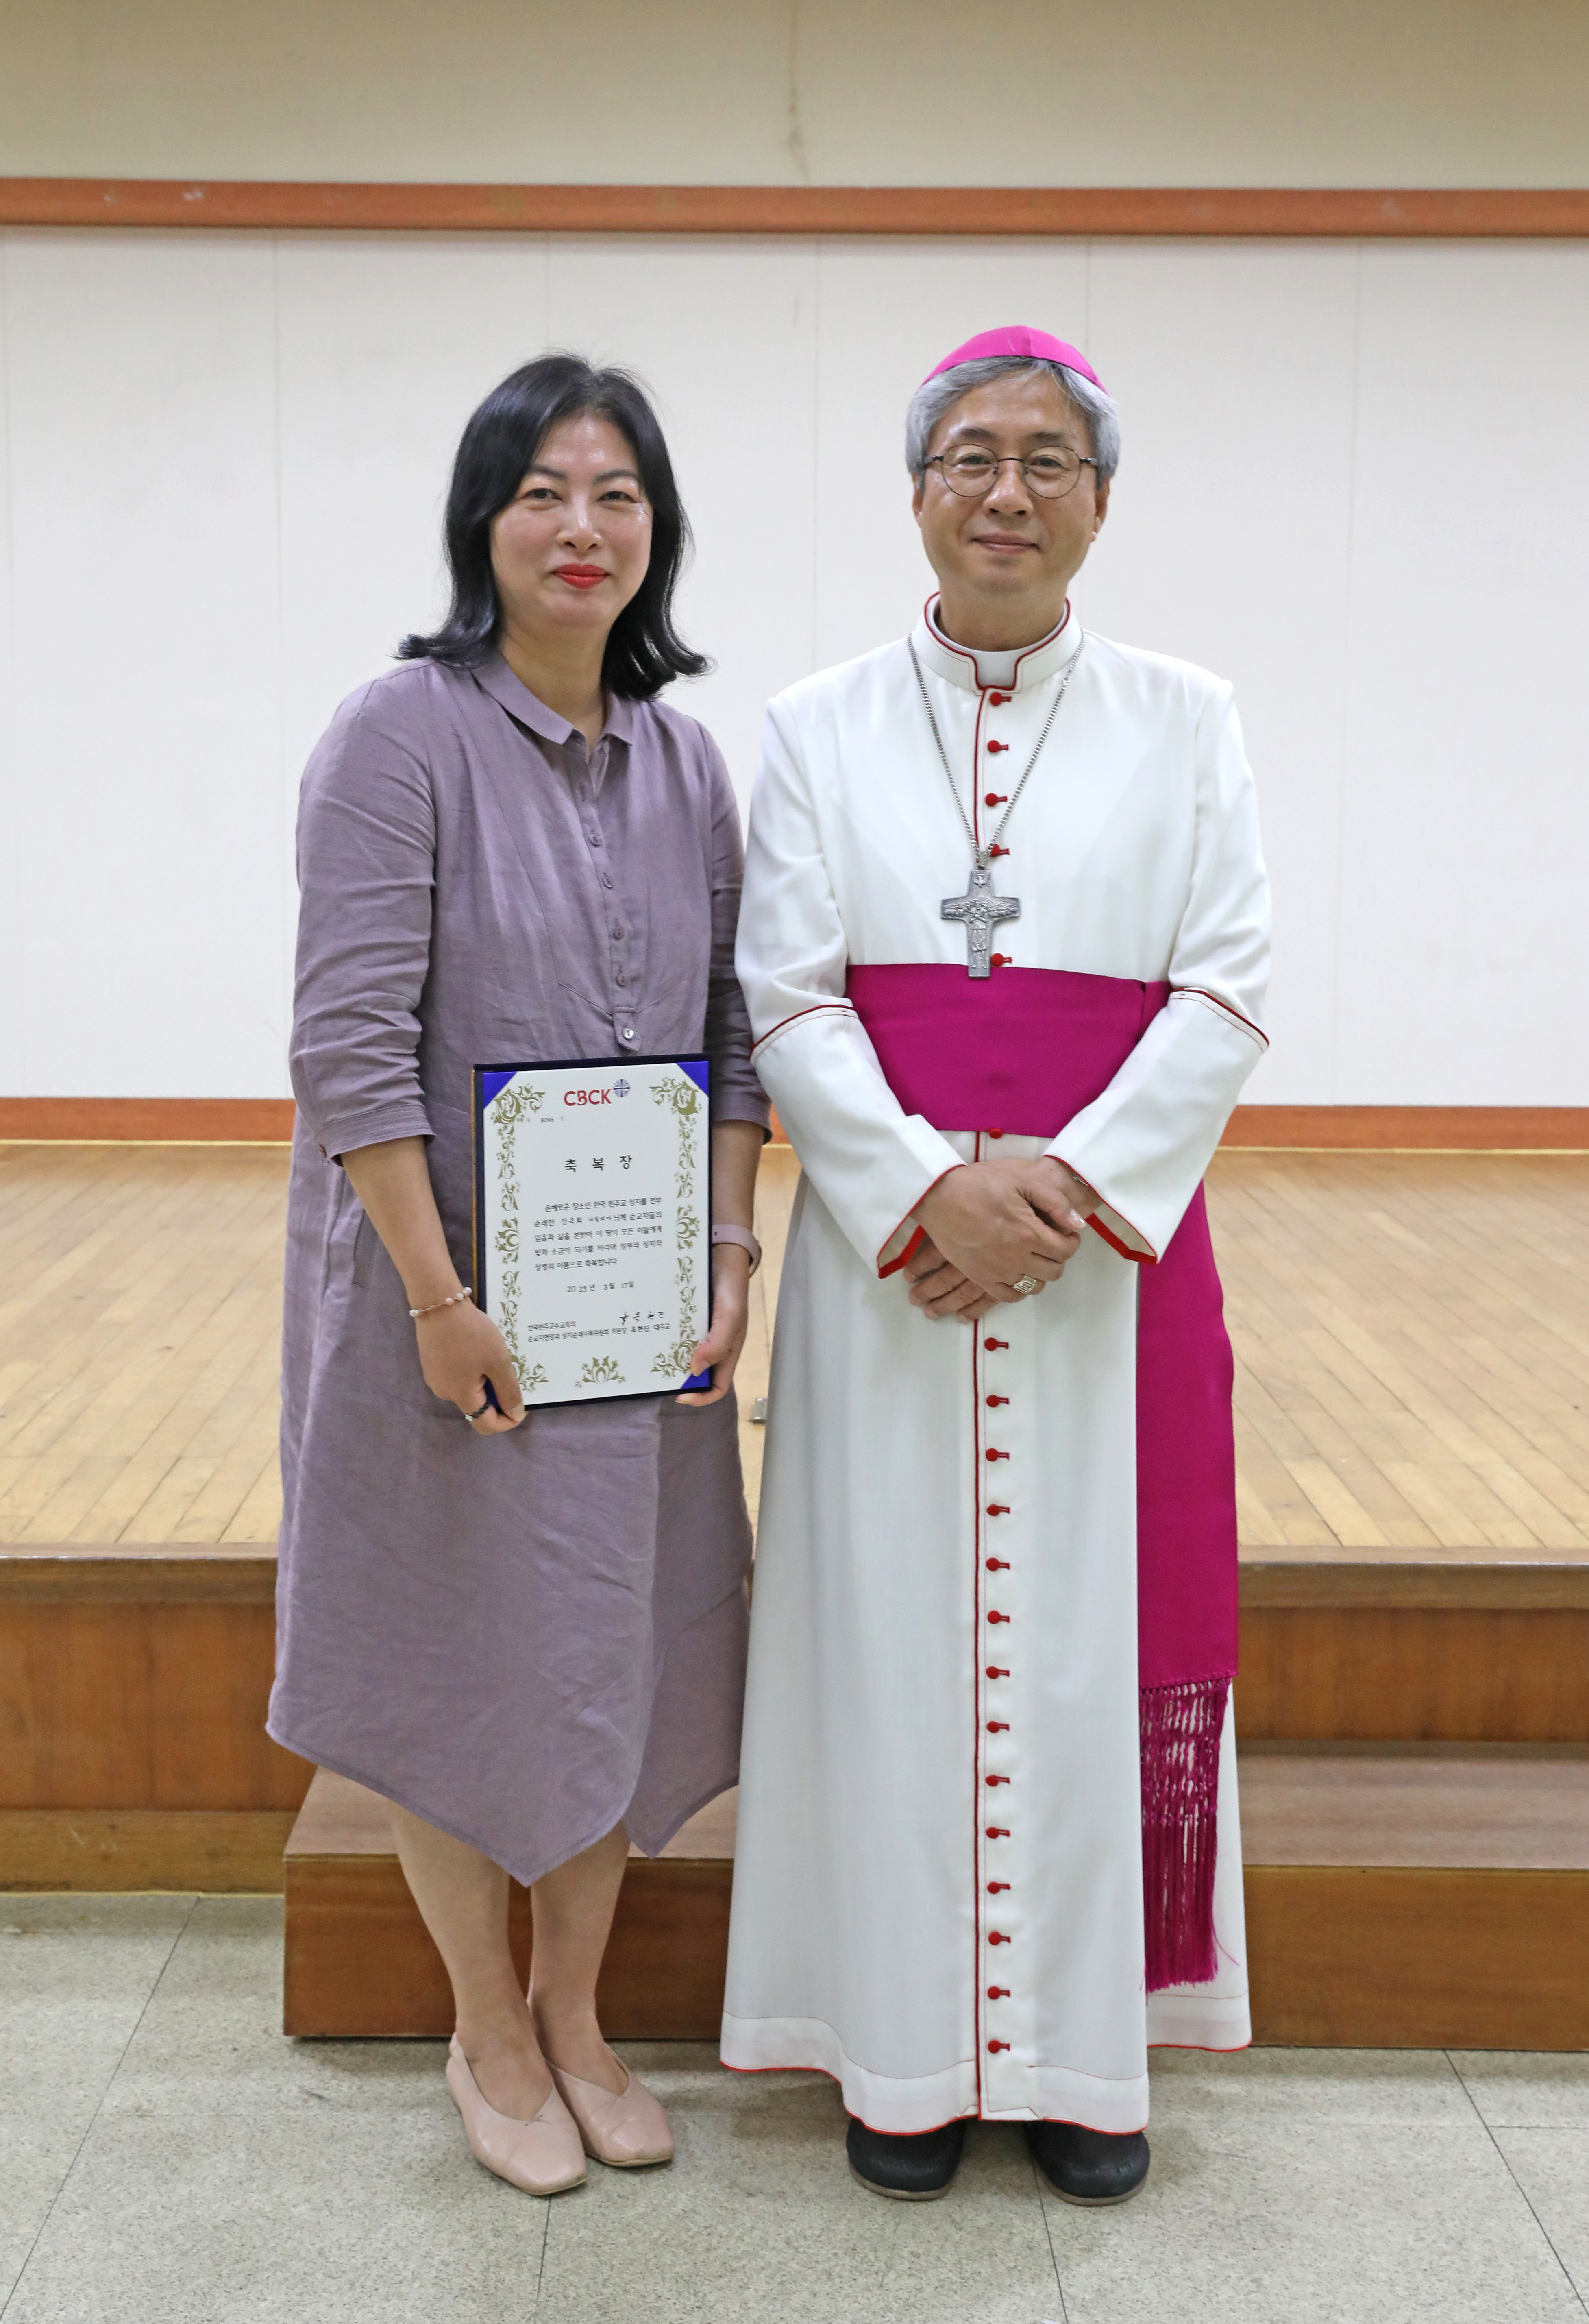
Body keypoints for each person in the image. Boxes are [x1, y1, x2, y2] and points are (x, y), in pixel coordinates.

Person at [725, 326, 1271, 2204]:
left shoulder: (1190, 716)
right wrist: (918, 1190)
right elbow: (785, 993)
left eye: (1049, 459)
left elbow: (1226, 984)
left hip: (1105, 1278)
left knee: (1087, 1658)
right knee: (891, 1649)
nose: (1008, 491)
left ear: (1100, 501)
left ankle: (1084, 2061)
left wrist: (1054, 1195)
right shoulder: (810, 725)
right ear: (918, 492)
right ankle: (899, 2058)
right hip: (893, 1280)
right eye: (971, 455)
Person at [268, 355, 768, 2198]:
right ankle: (484, 2025)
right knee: (450, 1643)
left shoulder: (688, 758)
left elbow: (731, 1038)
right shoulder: (397, 734)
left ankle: (577, 2012)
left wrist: (727, 1249)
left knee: (609, 1640)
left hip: (630, 1301)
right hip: (442, 1302)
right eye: (544, 490)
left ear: (659, 531)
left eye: (617, 492)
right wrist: (431, 1293)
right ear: (485, 521)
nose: (583, 527)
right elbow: (347, 1050)